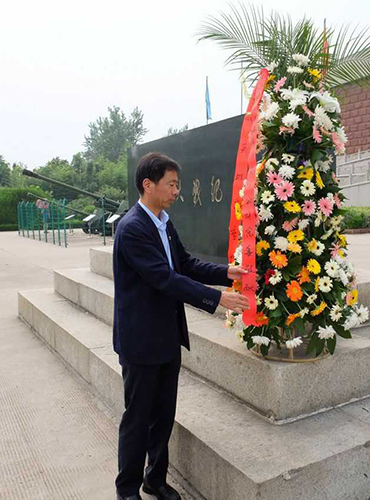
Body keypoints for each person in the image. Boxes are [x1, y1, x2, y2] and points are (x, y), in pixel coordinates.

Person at [113, 152, 249, 500]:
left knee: (163, 415)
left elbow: (184, 264)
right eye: (171, 184)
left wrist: (225, 273)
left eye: (178, 184)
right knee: (138, 418)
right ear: (148, 184)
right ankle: (127, 490)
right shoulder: (132, 229)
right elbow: (164, 278)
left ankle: (154, 480)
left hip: (166, 336)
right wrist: (216, 299)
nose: (177, 191)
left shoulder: (163, 222)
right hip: (141, 342)